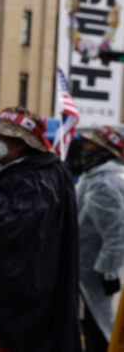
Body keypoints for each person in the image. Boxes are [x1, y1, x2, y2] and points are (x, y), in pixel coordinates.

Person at [0, 107, 80, 352]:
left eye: (1, 138)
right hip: (35, 291)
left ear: (19, 144)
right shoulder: (41, 172)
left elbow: (6, 228)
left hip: (22, 302)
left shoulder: (36, 181)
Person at [77, 126, 124, 351]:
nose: (85, 149)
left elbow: (116, 232)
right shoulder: (95, 176)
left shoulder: (104, 182)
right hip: (87, 272)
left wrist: (109, 272)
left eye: (91, 145)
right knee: (92, 326)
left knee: (102, 330)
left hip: (95, 275)